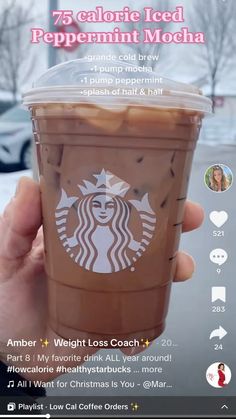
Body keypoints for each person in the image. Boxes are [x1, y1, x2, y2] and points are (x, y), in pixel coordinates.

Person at [0, 177, 204, 400]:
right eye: (97, 204)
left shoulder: (126, 238)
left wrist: (13, 367)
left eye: (111, 205)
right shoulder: (80, 237)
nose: (104, 210)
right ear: (87, 206)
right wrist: (10, 359)